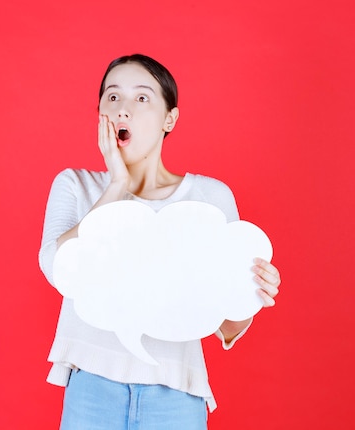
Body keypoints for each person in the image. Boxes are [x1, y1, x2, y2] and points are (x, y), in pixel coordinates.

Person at [39, 54, 281, 430]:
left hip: (176, 396)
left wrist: (251, 293)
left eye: (141, 98)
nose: (123, 109)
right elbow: (58, 268)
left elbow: (226, 325)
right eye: (113, 97)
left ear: (170, 118)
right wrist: (116, 184)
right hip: (91, 388)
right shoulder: (76, 186)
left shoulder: (208, 198)